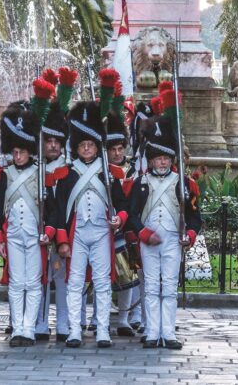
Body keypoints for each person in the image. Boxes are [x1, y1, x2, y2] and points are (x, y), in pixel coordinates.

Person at [54, 101, 128, 348]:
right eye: (83, 144)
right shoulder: (68, 173)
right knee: (75, 283)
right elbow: (59, 210)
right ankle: (75, 329)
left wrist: (120, 219)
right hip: (77, 235)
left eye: (91, 144)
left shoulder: (108, 172)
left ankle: (103, 330)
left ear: (97, 146)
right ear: (77, 147)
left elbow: (122, 204)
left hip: (100, 233)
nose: (87, 148)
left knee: (103, 282)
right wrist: (62, 241)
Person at [128, 115, 201, 350]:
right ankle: (151, 332)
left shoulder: (184, 184)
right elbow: (132, 215)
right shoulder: (141, 183)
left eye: (166, 158)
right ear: (151, 161)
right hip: (149, 240)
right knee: (150, 287)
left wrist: (189, 235)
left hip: (172, 240)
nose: (162, 162)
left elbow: (194, 217)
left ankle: (168, 333)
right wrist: (143, 233)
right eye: (158, 158)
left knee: (169, 288)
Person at [0, 107, 53, 347]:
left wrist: (48, 233)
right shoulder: (4, 175)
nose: (18, 156)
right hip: (13, 235)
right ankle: (17, 327)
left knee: (34, 282)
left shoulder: (42, 174)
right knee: (17, 283)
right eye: (15, 152)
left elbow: (52, 208)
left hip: (35, 235)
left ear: (30, 151)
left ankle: (29, 327)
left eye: (22, 152)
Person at [35, 102, 70, 342]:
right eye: (48, 140)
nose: (53, 145)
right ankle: (39, 322)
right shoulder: (34, 168)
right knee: (39, 278)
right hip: (39, 230)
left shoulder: (68, 170)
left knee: (63, 279)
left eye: (57, 141)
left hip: (63, 232)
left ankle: (65, 324)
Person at [105, 111, 140, 337]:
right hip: (107, 226)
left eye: (120, 149)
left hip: (129, 226)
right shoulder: (101, 170)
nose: (118, 153)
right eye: (113, 150)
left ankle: (126, 318)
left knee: (129, 275)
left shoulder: (134, 168)